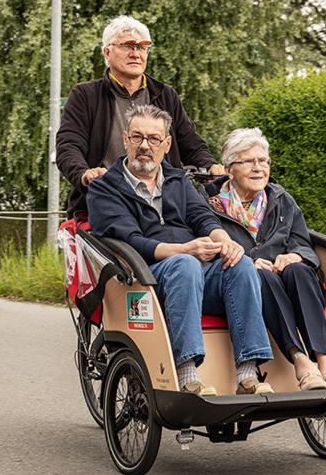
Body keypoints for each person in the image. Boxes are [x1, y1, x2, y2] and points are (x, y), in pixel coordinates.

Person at [87, 105, 274, 396]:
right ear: (125, 140)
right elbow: (130, 240)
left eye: (154, 139)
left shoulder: (177, 179)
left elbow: (202, 216)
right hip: (143, 278)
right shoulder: (105, 188)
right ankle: (187, 374)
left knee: (241, 265)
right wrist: (184, 249)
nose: (145, 146)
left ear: (167, 144)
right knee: (184, 264)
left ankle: (248, 375)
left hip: (193, 274)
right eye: (137, 138)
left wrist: (224, 239)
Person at [199, 128, 326, 391]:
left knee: (300, 271)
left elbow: (302, 241)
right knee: (262, 275)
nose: (259, 168)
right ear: (229, 169)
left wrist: (295, 255)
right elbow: (206, 248)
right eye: (248, 161)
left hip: (286, 281)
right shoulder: (207, 203)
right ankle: (300, 361)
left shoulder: (281, 199)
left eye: (263, 161)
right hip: (241, 285)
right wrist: (247, 261)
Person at [56, 15, 224, 218]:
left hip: (165, 205)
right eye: (127, 46)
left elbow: (192, 145)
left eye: (142, 47)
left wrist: (210, 167)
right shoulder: (85, 95)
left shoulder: (165, 95)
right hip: (107, 204)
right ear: (107, 52)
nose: (136, 53)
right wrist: (84, 173)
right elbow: (68, 146)